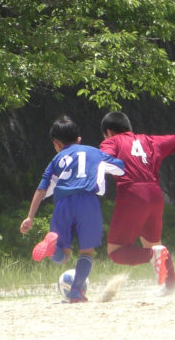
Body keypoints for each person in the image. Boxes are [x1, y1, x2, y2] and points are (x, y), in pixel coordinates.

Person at [99, 111, 175, 294]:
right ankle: (172, 285)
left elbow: (102, 160)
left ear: (109, 132)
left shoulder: (112, 141)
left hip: (132, 194)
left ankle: (152, 256)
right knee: (154, 243)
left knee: (116, 252)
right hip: (155, 195)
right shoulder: (149, 141)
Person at [21, 116, 125, 303]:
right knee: (87, 251)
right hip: (87, 202)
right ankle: (76, 291)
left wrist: (30, 217)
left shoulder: (56, 160)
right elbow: (120, 168)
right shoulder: (94, 152)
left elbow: (41, 189)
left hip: (63, 203)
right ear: (79, 139)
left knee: (63, 255)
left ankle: (52, 250)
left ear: (56, 144)